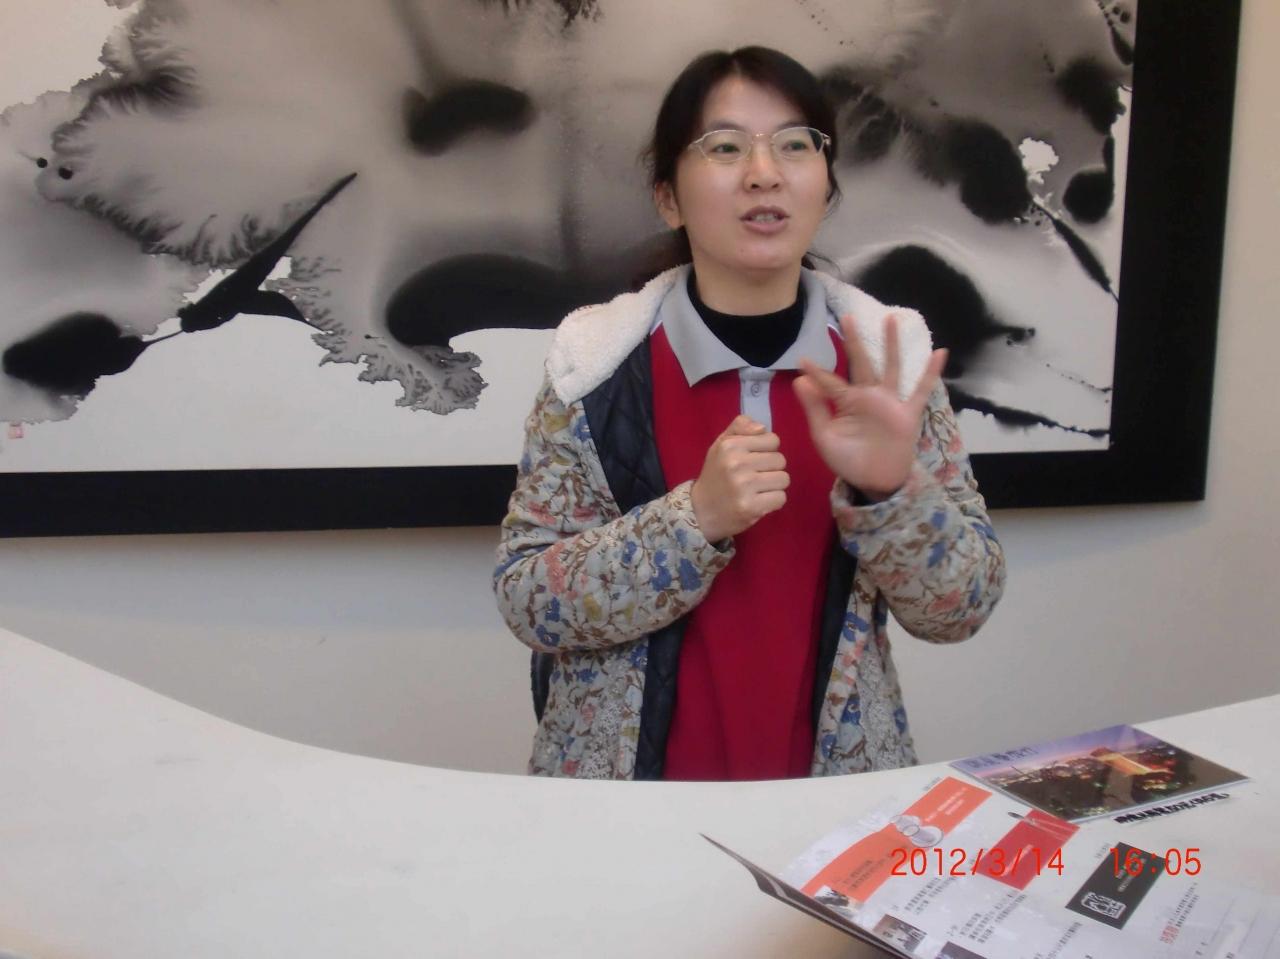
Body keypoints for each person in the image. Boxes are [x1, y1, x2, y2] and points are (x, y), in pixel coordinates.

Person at [493, 46, 1005, 781]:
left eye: (795, 145)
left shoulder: (887, 363)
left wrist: (894, 494)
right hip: (628, 808)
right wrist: (693, 519)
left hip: (828, 801)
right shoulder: (593, 366)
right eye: (725, 147)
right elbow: (527, 600)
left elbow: (960, 609)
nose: (764, 172)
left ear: (826, 187)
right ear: (668, 197)